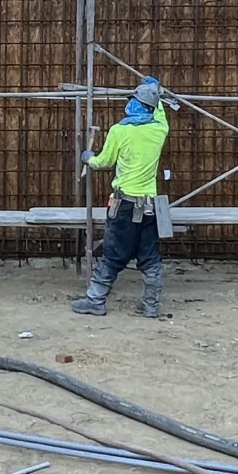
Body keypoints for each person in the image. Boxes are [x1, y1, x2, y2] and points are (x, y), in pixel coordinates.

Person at [74, 78, 170, 319]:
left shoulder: (120, 131)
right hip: (149, 206)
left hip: (124, 204)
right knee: (149, 256)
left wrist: (88, 158)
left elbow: (104, 162)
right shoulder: (159, 129)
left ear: (135, 104)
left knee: (112, 254)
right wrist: (155, 91)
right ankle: (150, 305)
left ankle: (95, 301)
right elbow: (160, 112)